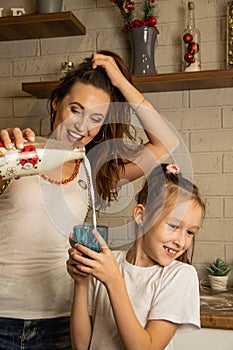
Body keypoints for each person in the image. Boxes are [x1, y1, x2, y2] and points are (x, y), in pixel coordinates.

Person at [0, 51, 178, 349]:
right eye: (76, 109)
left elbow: (165, 142)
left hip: (61, 319)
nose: (82, 126)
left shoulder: (94, 170)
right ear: (56, 102)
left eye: (96, 118)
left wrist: (121, 84)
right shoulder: (16, 153)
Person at [67, 163, 205, 350]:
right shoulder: (108, 263)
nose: (181, 241)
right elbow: (81, 346)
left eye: (190, 232)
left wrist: (113, 280)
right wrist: (81, 282)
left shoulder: (180, 275)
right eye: (173, 226)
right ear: (141, 216)